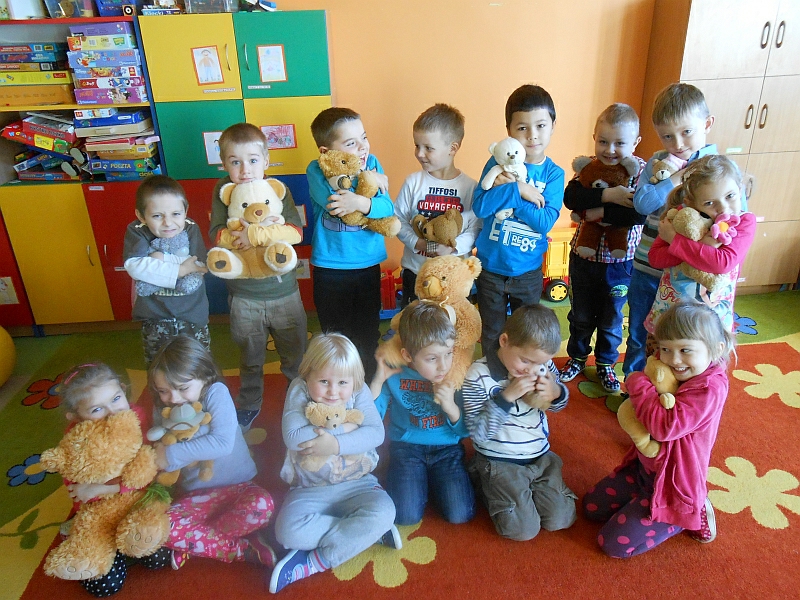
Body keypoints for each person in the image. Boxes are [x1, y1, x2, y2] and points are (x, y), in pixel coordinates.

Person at [583, 301, 736, 556]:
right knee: (591, 507)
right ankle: (645, 497)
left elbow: (664, 427)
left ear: (716, 349)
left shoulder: (710, 387)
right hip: (645, 471)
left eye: (685, 350)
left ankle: (689, 513)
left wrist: (638, 383)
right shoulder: (668, 365)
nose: (674, 360)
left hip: (674, 486)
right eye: (666, 349)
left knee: (612, 544)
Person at [622, 83, 749, 377]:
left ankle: (689, 393)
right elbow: (643, 204)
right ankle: (636, 386)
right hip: (649, 266)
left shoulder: (722, 170)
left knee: (691, 340)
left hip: (691, 278)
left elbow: (734, 220)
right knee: (642, 333)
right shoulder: (658, 164)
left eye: (686, 132)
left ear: (707, 124)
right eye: (667, 136)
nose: (677, 144)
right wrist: (677, 176)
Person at [270, 333, 399, 594]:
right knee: (285, 533)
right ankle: (365, 533)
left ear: (354, 380)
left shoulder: (359, 390)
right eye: (323, 382)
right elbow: (294, 437)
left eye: (342, 382)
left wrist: (334, 444)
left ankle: (315, 561)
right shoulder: (299, 388)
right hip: (309, 489)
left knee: (386, 511)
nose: (333, 391)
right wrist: (346, 429)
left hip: (358, 484)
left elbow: (376, 433)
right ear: (308, 375)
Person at [209, 123, 307, 430]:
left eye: (252, 160)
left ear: (266, 161)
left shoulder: (277, 189)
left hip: (284, 294)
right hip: (244, 297)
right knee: (250, 360)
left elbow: (295, 232)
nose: (245, 170)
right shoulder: (223, 191)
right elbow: (217, 234)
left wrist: (256, 235)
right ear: (224, 164)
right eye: (235, 162)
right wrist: (237, 235)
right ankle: (249, 404)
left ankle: (301, 402)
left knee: (295, 357)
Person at [150, 336, 276, 571]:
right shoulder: (163, 408)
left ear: (205, 376)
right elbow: (161, 453)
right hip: (197, 496)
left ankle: (197, 541)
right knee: (160, 526)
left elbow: (222, 443)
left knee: (263, 505)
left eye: (183, 388)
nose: (173, 398)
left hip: (240, 487)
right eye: (163, 391)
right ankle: (241, 548)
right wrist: (161, 457)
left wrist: (171, 455)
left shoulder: (215, 392)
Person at [471, 85, 564, 376]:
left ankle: (525, 375)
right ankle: (494, 378)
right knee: (491, 330)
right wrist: (517, 190)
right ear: (509, 131)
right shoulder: (496, 163)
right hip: (491, 268)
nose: (532, 135)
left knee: (528, 332)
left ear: (552, 125)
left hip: (527, 271)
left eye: (540, 126)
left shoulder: (554, 174)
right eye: (522, 128)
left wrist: (515, 192)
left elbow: (544, 221)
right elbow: (480, 207)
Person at [462, 304, 576, 541]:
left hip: (540, 456)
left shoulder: (542, 364)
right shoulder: (478, 374)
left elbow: (557, 404)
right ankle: (483, 482)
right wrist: (506, 397)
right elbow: (478, 433)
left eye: (541, 363)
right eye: (525, 361)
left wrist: (555, 392)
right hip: (499, 461)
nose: (532, 370)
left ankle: (525, 491)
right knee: (523, 530)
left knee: (561, 518)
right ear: (504, 341)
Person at [58, 363, 170, 597]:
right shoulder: (76, 441)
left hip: (137, 501)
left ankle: (126, 545)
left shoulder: (136, 418)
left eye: (116, 399)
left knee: (159, 557)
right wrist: (96, 493)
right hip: (101, 513)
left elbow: (148, 470)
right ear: (76, 417)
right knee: (105, 586)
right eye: (97, 409)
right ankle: (93, 544)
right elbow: (80, 491)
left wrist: (105, 488)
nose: (113, 412)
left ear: (123, 389)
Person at [559, 104, 646, 393]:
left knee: (612, 319)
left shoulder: (640, 172)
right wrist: (609, 195)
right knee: (580, 314)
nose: (610, 150)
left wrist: (598, 212)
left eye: (620, 143)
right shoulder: (588, 167)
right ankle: (577, 357)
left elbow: (638, 213)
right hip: (583, 259)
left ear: (635, 143)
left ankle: (606, 363)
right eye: (603, 141)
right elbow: (572, 198)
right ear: (594, 137)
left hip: (621, 263)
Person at [306, 107, 394, 381]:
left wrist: (360, 201)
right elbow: (335, 204)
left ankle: (366, 384)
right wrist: (369, 183)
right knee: (335, 336)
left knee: (367, 331)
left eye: (363, 137)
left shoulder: (373, 162)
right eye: (351, 143)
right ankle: (339, 384)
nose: (362, 147)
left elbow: (387, 208)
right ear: (326, 152)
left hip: (367, 265)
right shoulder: (316, 169)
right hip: (331, 269)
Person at [371, 301, 475, 525]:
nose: (443, 366)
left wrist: (450, 406)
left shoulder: (455, 374)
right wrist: (378, 381)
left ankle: (430, 483)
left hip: (447, 450)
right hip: (407, 449)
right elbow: (371, 419)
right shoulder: (395, 372)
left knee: (460, 514)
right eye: (432, 359)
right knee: (405, 516)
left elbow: (466, 430)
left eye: (448, 353)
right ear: (408, 355)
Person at [645, 154, 755, 337]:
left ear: (740, 188)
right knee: (663, 352)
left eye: (730, 196)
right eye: (709, 203)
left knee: (709, 354)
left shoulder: (744, 222)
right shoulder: (680, 216)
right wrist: (700, 246)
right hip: (671, 311)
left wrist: (675, 240)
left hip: (712, 319)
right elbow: (655, 258)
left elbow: (722, 263)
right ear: (691, 202)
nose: (723, 208)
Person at [394, 103, 480, 307]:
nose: (419, 153)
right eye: (417, 145)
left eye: (428, 148)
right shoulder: (413, 182)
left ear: (453, 148)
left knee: (454, 324)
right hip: (416, 273)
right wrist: (418, 243)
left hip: (453, 278)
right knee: (415, 324)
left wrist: (452, 248)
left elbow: (475, 229)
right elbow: (397, 220)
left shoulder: (470, 187)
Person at [123, 175, 210, 365]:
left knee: (199, 366)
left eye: (176, 214)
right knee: (159, 367)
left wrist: (160, 260)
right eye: (157, 216)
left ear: (185, 211)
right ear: (141, 216)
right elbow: (135, 266)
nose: (168, 223)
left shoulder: (190, 228)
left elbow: (198, 266)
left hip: (191, 317)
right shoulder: (137, 229)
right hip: (155, 318)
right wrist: (180, 269)